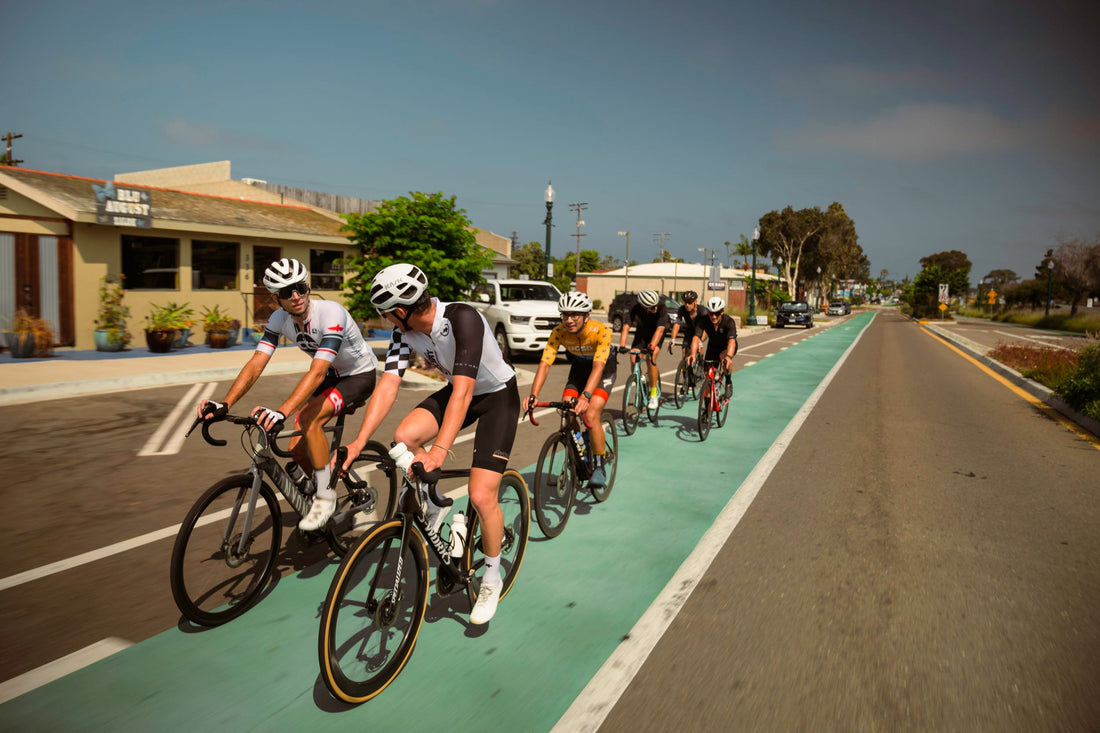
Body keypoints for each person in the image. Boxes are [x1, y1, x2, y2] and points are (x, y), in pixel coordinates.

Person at [341, 263, 519, 625]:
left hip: (497, 396)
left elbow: (466, 390)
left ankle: (490, 576)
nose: (387, 320)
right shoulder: (404, 335)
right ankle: (433, 504)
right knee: (403, 437)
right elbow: (388, 384)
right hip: (458, 392)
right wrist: (358, 442)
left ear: (401, 311)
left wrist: (438, 451)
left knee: (483, 495)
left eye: (387, 314)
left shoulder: (462, 318)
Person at [198, 257, 378, 532]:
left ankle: (326, 498)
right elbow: (257, 362)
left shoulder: (331, 313)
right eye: (286, 292)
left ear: (307, 286)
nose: (296, 297)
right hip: (333, 376)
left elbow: (317, 372)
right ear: (275, 298)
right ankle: (323, 483)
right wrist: (224, 403)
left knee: (308, 421)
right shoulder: (279, 319)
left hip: (358, 375)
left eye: (300, 287)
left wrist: (281, 411)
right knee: (296, 449)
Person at [526, 291, 615, 487]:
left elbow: (598, 367)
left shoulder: (601, 331)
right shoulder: (559, 332)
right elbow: (545, 364)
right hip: (579, 369)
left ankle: (599, 466)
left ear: (586, 316)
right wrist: (533, 395)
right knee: (568, 410)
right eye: (565, 315)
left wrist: (585, 396)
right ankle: (580, 448)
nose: (569, 320)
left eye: (575, 315)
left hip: (603, 371)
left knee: (591, 415)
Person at [617, 289, 670, 410]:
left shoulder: (661, 308)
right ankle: (640, 379)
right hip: (641, 334)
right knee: (633, 356)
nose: (654, 309)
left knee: (650, 358)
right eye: (651, 307)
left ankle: (653, 394)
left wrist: (651, 347)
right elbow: (626, 327)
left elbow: (660, 330)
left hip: (657, 334)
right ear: (642, 305)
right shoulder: (634, 308)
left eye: (655, 306)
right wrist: (622, 345)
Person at [689, 296, 738, 398]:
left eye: (717, 313)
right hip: (713, 346)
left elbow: (732, 341)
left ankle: (728, 382)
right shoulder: (704, 320)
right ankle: (707, 409)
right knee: (708, 376)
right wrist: (693, 355)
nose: (714, 316)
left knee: (724, 359)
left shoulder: (729, 321)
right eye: (711, 313)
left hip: (726, 346)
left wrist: (729, 356)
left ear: (722, 312)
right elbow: (696, 338)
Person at [667, 290, 700, 359]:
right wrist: (672, 339)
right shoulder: (682, 309)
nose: (687, 305)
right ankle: (684, 368)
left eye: (689, 302)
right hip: (690, 331)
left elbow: (706, 327)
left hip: (700, 331)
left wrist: (701, 341)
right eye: (685, 302)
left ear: (695, 302)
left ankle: (701, 363)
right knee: (684, 350)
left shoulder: (702, 310)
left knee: (699, 348)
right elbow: (677, 324)